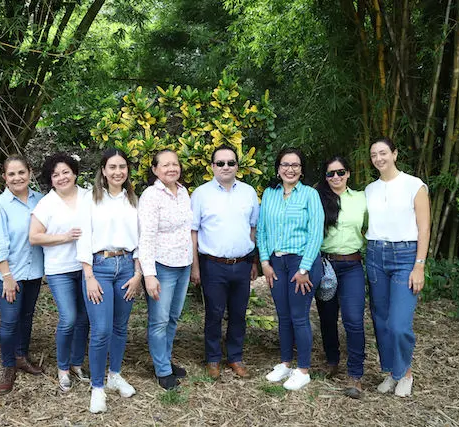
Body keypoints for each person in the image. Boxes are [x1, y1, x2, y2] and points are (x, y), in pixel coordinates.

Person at [76, 148, 143, 414]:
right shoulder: (91, 199)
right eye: (112, 167)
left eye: (122, 167)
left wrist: (138, 274)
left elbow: (141, 239)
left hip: (127, 267)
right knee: (101, 330)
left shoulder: (134, 200)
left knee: (120, 327)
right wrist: (89, 276)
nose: (118, 172)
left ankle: (114, 375)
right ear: (103, 170)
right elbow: (83, 239)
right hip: (100, 268)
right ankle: (97, 387)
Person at [365, 137, 430, 398]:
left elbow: (424, 228)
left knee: (399, 324)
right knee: (380, 321)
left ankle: (406, 373)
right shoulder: (369, 189)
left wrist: (419, 265)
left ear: (395, 153)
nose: (379, 158)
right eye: (374, 155)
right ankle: (392, 372)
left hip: (405, 256)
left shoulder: (414, 185)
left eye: (383, 153)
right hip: (375, 254)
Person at [190, 144, 259, 380]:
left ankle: (235, 357)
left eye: (230, 162)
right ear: (212, 167)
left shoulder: (249, 192)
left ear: (237, 166)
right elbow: (194, 232)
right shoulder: (200, 194)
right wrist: (195, 267)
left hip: (241, 263)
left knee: (239, 313)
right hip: (212, 265)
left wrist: (253, 261)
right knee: (214, 313)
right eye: (220, 163)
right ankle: (212, 359)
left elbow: (252, 229)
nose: (226, 167)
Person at [258, 147, 324, 391]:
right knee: (283, 315)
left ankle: (303, 369)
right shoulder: (269, 194)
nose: (290, 169)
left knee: (299, 315)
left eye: (295, 165)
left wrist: (305, 268)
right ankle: (286, 363)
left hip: (301, 262)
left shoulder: (309, 195)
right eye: (285, 165)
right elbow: (263, 230)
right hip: (277, 262)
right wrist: (264, 262)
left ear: (302, 169)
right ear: (278, 169)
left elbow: (316, 233)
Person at [28, 152, 90, 393]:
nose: (62, 177)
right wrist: (64, 237)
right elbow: (34, 236)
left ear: (74, 173)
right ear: (50, 180)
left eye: (66, 172)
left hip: (86, 267)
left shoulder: (88, 196)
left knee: (84, 318)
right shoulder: (47, 203)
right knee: (69, 318)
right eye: (56, 175)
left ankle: (76, 364)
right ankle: (62, 368)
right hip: (60, 270)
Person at [0, 154, 45, 395]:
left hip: (33, 271)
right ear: (4, 178)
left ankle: (21, 356)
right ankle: (8, 366)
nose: (17, 177)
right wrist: (7, 277)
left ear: (30, 173)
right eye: (11, 174)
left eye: (21, 172)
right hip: (8, 271)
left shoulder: (40, 201)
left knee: (27, 315)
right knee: (10, 320)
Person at [138, 149, 192, 390]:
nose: (172, 168)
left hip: (183, 264)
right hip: (162, 266)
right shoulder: (151, 196)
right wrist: (149, 275)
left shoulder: (183, 192)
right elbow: (146, 237)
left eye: (175, 164)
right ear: (155, 170)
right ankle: (162, 370)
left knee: (172, 318)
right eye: (165, 165)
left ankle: (166, 361)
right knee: (159, 320)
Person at [315, 156, 367, 399]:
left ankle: (356, 375)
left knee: (354, 320)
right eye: (330, 174)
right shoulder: (318, 199)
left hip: (352, 266)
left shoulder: (362, 199)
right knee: (327, 318)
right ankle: (332, 360)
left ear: (349, 173)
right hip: (326, 265)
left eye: (340, 172)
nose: (335, 177)